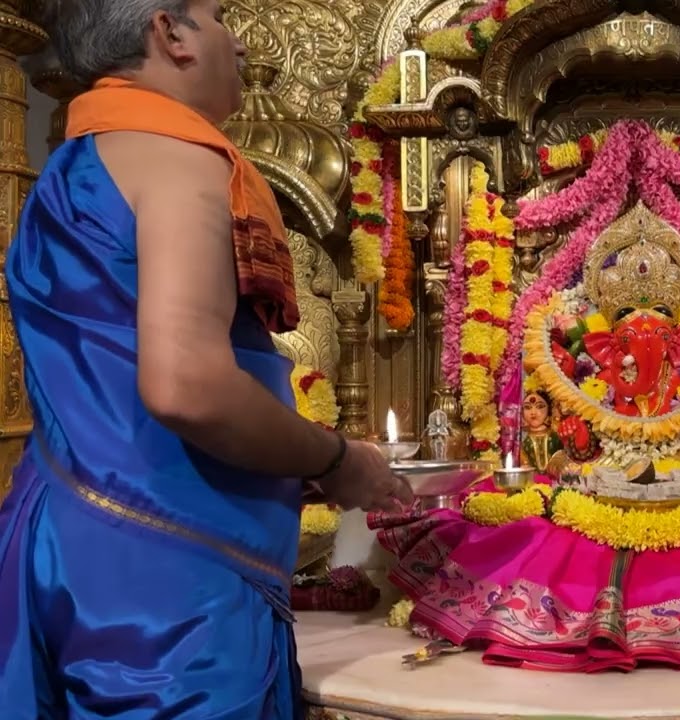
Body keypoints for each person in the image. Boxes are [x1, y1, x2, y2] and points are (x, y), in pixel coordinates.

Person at [0, 1, 411, 718]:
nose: (241, 41)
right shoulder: (178, 161)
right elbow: (188, 385)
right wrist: (335, 458)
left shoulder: (69, 168)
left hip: (63, 533)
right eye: (219, 17)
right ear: (169, 33)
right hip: (167, 581)